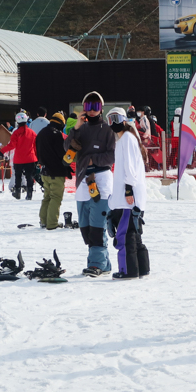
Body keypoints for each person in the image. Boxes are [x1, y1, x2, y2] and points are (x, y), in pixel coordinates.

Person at [66, 91, 117, 277]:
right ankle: (104, 264)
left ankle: (96, 263)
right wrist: (77, 127)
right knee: (85, 227)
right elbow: (67, 149)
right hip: (81, 181)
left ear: (101, 108)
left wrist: (91, 160)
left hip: (101, 179)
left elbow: (112, 156)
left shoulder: (108, 129)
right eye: (88, 107)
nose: (92, 111)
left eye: (96, 106)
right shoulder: (81, 129)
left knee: (97, 225)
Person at [105, 108, 151, 280]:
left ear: (124, 120)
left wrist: (128, 190)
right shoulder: (127, 139)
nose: (113, 123)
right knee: (134, 233)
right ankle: (142, 268)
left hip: (128, 199)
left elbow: (129, 169)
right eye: (110, 120)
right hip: (128, 198)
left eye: (116, 118)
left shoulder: (126, 139)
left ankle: (128, 270)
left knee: (124, 235)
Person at [35, 112, 72, 229]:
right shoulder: (56, 135)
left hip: (44, 171)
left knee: (47, 197)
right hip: (56, 172)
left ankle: (43, 221)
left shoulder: (41, 133)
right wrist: (67, 167)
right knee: (56, 197)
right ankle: (52, 223)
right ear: (61, 123)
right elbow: (61, 154)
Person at [1, 112, 38, 200]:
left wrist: (2, 151)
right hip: (30, 158)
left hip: (19, 159)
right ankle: (29, 194)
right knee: (29, 176)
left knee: (18, 176)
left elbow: (12, 145)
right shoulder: (32, 133)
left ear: (17, 121)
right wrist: (37, 158)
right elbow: (36, 147)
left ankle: (17, 193)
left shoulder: (16, 133)